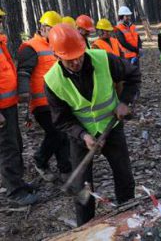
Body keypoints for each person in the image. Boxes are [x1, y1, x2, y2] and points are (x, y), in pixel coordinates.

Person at [44, 24, 141, 226]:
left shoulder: (103, 59)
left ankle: (129, 221)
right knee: (82, 189)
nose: (77, 61)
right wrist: (83, 136)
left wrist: (125, 102)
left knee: (124, 178)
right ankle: (85, 229)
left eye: (79, 55)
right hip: (80, 137)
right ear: (57, 56)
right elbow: (61, 120)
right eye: (70, 59)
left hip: (111, 129)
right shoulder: (52, 81)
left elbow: (133, 75)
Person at [17, 11, 71, 182]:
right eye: (53, 29)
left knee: (63, 134)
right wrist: (25, 97)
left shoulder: (54, 44)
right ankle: (40, 160)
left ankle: (66, 170)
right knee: (56, 133)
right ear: (43, 27)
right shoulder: (30, 47)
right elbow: (24, 73)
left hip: (58, 99)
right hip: (41, 103)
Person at [0, 8, 38, 206]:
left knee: (15, 145)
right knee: (8, 149)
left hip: (8, 105)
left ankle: (18, 182)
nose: (0, 22)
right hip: (1, 110)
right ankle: (15, 192)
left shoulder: (1, 43)